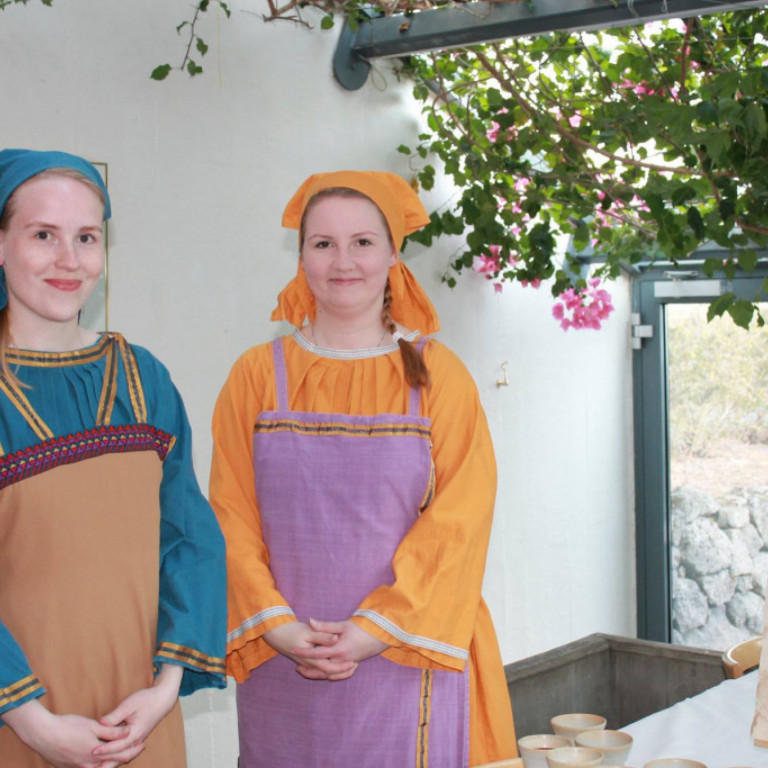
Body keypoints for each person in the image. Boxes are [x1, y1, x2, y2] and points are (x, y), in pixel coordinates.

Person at [210, 170, 517, 767]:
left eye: (362, 242)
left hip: (407, 656)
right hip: (284, 660)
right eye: (322, 243)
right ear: (300, 256)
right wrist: (277, 628)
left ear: (393, 254)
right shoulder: (255, 376)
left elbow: (461, 521)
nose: (342, 261)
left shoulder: (438, 377)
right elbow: (228, 512)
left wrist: (372, 631)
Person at [0, 149, 227, 768]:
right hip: (17, 727)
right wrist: (33, 722)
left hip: (139, 725)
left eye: (87, 237)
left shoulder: (143, 380)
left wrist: (164, 690)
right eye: (43, 234)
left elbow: (187, 539)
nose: (69, 260)